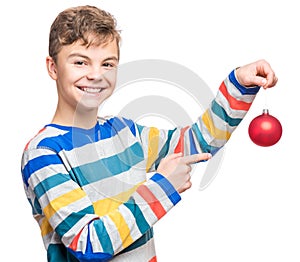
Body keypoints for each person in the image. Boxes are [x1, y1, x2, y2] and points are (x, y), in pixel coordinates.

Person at [20, 5, 278, 262]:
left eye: (107, 63)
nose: (96, 75)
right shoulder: (43, 153)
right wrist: (162, 186)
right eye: (80, 62)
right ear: (53, 67)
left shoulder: (124, 132)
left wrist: (238, 85)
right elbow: (90, 243)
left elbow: (197, 143)